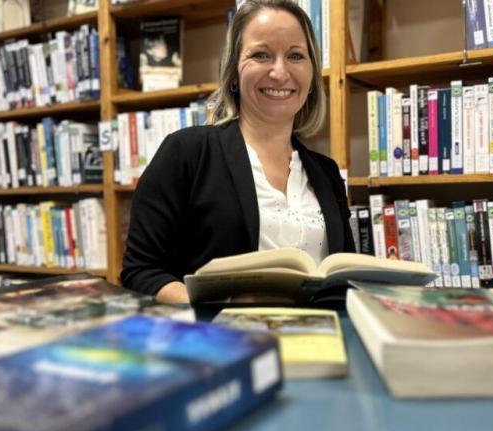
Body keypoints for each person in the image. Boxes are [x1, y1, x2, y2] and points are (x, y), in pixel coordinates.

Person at [121, 0, 355, 302]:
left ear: (311, 76)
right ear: (233, 72)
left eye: (296, 56)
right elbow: (141, 272)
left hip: (319, 341)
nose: (280, 72)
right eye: (261, 55)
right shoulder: (186, 152)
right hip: (222, 341)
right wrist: (212, 309)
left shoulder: (326, 172)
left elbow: (344, 273)